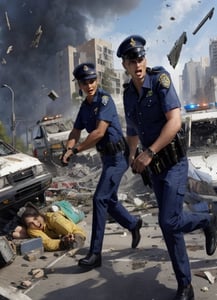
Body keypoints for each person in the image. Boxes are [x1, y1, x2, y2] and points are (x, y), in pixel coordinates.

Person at [117, 35, 217, 300]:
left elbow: (174, 121)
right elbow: (131, 129)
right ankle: (185, 285)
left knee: (168, 221)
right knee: (169, 227)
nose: (137, 64)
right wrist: (131, 154)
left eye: (140, 59)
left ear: (144, 60)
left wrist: (148, 152)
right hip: (155, 169)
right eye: (131, 61)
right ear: (125, 66)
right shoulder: (128, 94)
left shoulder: (160, 80)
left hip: (173, 163)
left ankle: (206, 220)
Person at [62, 63, 142, 269]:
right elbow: (75, 131)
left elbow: (98, 133)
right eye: (84, 82)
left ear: (96, 80)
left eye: (92, 81)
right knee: (110, 200)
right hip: (107, 158)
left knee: (99, 199)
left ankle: (95, 253)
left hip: (119, 157)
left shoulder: (104, 100)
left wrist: (76, 150)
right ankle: (134, 224)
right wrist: (68, 148)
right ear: (79, 85)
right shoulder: (84, 107)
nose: (89, 85)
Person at [18, 202, 86, 251]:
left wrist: (77, 238)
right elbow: (47, 243)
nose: (36, 224)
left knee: (78, 215)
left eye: (35, 218)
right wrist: (63, 243)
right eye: (30, 224)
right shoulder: (31, 230)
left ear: (40, 215)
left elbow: (76, 230)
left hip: (67, 212)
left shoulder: (54, 219)